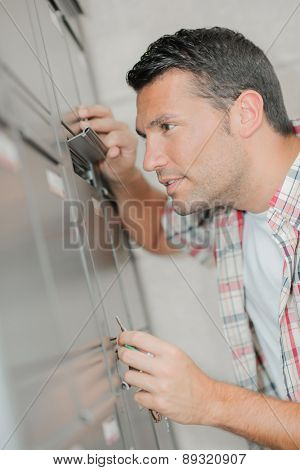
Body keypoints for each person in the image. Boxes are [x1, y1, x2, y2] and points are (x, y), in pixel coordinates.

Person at [77, 27, 300, 449]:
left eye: (168, 126)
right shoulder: (232, 199)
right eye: (147, 136)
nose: (151, 159)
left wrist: (208, 402)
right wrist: (122, 172)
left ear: (245, 114)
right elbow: (159, 232)